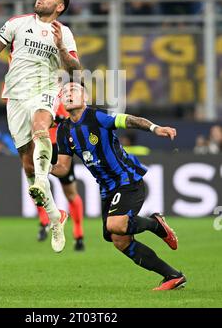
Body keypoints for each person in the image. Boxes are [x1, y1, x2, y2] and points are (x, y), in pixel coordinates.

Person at [0, 0, 81, 253]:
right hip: (16, 96)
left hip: (45, 89)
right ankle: (55, 216)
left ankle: (43, 183)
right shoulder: (17, 23)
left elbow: (76, 67)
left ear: (60, 6)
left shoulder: (64, 32)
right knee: (28, 166)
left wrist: (61, 50)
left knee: (41, 126)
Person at [51, 80, 186, 291]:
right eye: (65, 91)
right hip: (106, 189)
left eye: (74, 90)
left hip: (127, 180)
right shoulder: (63, 130)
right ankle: (172, 276)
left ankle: (155, 224)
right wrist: (42, 170)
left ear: (85, 98)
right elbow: (62, 167)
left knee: (116, 225)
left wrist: (154, 128)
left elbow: (130, 120)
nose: (68, 93)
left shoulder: (97, 116)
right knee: (118, 240)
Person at [37, 103, 85, 251]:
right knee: (36, 186)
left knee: (70, 193)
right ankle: (44, 222)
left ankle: (78, 234)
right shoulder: (36, 97)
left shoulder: (63, 98)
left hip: (59, 148)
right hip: (40, 146)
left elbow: (71, 119)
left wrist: (55, 119)